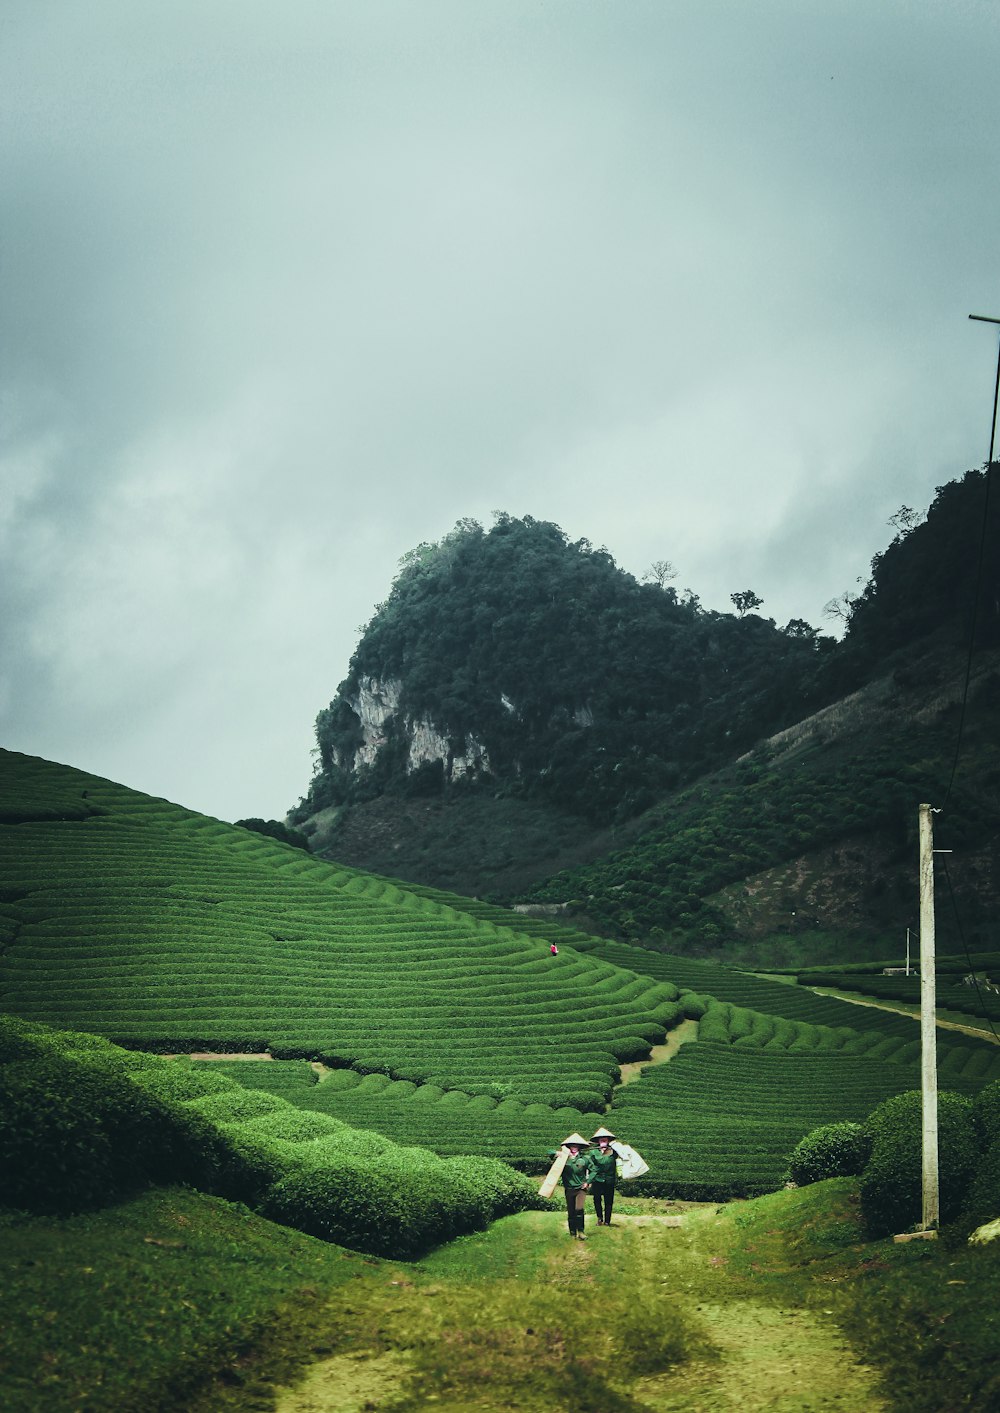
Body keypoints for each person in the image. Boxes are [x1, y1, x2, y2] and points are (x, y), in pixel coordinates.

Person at [558, 1132, 594, 1239]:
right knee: (571, 1211)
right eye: (572, 1145)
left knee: (579, 1209)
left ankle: (581, 1231)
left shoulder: (585, 1159)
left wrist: (588, 1181)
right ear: (569, 1146)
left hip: (581, 1188)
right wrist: (558, 1153)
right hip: (569, 1188)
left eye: (576, 1145)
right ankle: (572, 1233)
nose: (574, 1147)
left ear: (579, 1147)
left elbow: (594, 1170)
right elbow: (549, 1153)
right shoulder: (563, 1158)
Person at [590, 1126, 619, 1226]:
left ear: (608, 1141)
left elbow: (623, 1154)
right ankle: (599, 1218)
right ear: (598, 1141)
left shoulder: (613, 1152)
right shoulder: (593, 1152)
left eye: (605, 1140)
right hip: (597, 1180)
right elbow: (590, 1165)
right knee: (597, 1199)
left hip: (609, 1180)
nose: (603, 1141)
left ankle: (607, 1221)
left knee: (608, 1201)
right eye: (601, 1140)